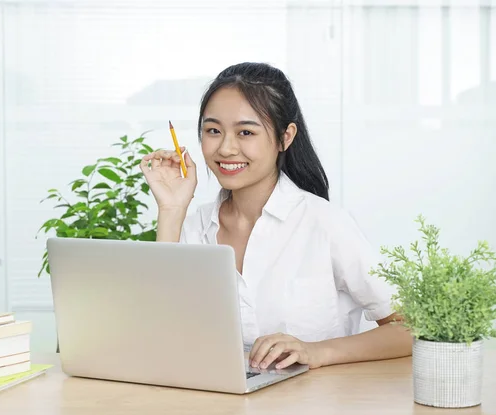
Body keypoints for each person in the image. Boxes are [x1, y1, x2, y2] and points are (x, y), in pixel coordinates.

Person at [140, 62, 412, 370]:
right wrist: (172, 209)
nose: (226, 148)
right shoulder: (194, 226)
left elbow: (410, 328)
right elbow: (158, 336)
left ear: (285, 137)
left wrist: (316, 352)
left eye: (246, 132)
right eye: (213, 131)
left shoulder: (324, 223)